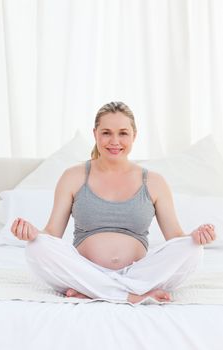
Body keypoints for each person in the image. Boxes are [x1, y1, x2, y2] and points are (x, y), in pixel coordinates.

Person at [11, 101, 216, 304]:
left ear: (134, 135)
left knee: (193, 249)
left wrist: (196, 237)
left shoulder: (154, 182)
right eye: (106, 132)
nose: (114, 141)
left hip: (137, 273)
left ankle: (96, 291)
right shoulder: (73, 176)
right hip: (85, 270)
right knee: (36, 247)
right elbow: (52, 234)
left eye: (123, 133)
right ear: (95, 134)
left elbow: (176, 238)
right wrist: (32, 233)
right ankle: (129, 295)